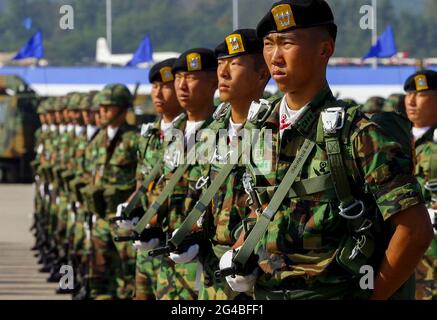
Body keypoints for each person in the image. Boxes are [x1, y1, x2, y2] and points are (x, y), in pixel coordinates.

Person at [219, 0, 433, 300]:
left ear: (324, 49)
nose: (275, 57)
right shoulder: (258, 130)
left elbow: (415, 231)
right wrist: (240, 250)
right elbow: (259, 205)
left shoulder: (357, 134)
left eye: (287, 43)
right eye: (269, 44)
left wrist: (374, 296)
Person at [84, 84, 139, 299]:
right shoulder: (97, 140)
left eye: (110, 107)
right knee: (98, 275)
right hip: (100, 219)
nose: (103, 111)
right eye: (102, 107)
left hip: (123, 222)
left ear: (124, 109)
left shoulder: (134, 140)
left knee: (128, 275)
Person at [404, 70, 437, 300]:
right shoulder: (395, 138)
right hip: (404, 244)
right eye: (409, 94)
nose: (412, 101)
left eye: (421, 95)